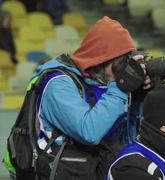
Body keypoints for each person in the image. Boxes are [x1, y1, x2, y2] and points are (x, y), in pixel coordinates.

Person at [6, 16, 152, 179]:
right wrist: (120, 87)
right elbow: (89, 132)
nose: (122, 70)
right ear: (101, 58)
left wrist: (138, 101)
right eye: (120, 63)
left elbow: (125, 141)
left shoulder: (104, 85)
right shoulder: (58, 84)